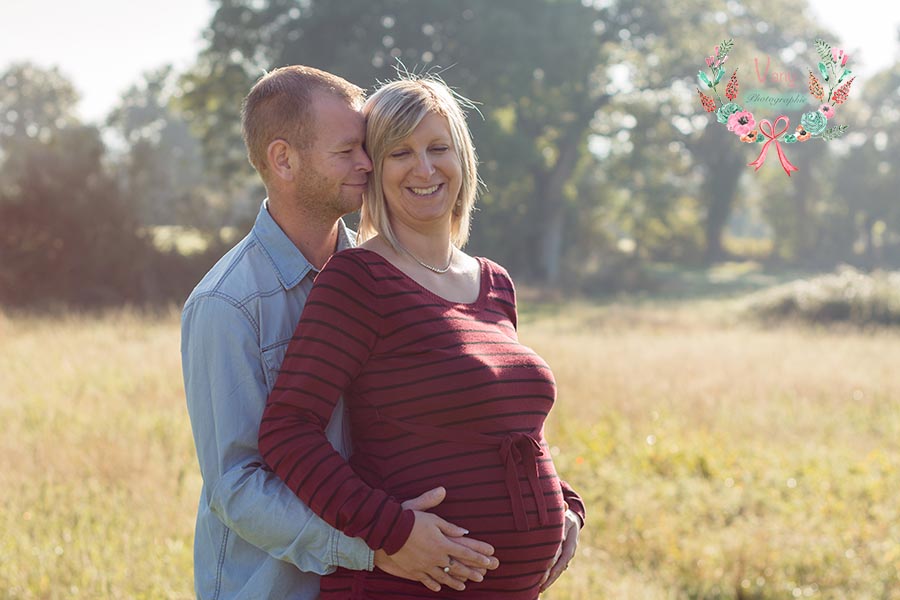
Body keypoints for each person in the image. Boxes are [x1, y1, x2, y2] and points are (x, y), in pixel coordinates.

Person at [258, 74, 585, 599]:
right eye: (400, 153)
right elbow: (287, 430)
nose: (425, 168)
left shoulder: (494, 282)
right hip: (401, 588)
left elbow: (504, 426)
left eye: (439, 147)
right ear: (374, 170)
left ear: (464, 158)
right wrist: (392, 532)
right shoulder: (359, 279)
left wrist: (566, 505)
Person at [182, 66, 499, 600]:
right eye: (349, 150)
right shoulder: (228, 303)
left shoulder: (387, 275)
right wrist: (374, 544)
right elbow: (236, 488)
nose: (368, 163)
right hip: (279, 588)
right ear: (284, 159)